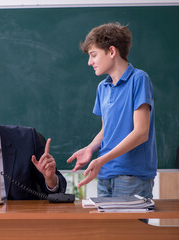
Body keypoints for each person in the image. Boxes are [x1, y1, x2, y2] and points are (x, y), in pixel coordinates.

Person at [67, 23, 157, 198]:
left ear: (112, 51)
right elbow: (106, 130)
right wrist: (91, 148)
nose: (89, 62)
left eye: (93, 55)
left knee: (129, 227)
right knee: (105, 227)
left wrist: (102, 160)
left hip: (132, 177)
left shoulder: (138, 79)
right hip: (105, 175)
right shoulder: (103, 87)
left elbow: (141, 133)